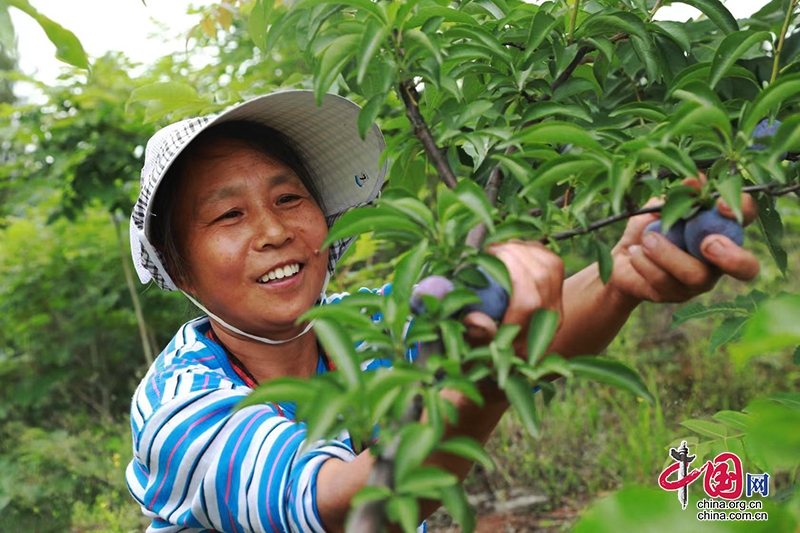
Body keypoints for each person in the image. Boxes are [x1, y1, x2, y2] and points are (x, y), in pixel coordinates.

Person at [126, 90, 760, 533]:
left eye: (289, 197)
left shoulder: (369, 324)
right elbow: (347, 510)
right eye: (229, 214)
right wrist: (487, 379)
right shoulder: (180, 407)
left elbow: (539, 326)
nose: (273, 231)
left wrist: (622, 277)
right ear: (178, 269)